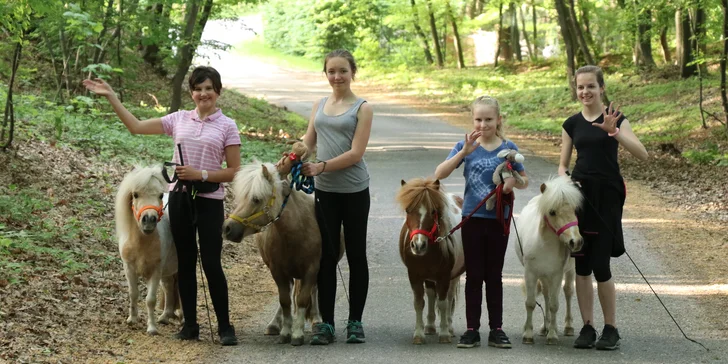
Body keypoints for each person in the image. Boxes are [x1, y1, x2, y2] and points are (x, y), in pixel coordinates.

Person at [83, 66, 241, 346]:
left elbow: (233, 171)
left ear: (218, 91)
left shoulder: (227, 125)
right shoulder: (178, 119)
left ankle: (225, 327)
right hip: (179, 198)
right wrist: (111, 96)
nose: (203, 94)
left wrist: (200, 174)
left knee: (212, 264)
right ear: (191, 92)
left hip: (209, 202)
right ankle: (190, 324)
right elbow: (135, 127)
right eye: (198, 88)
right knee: (186, 263)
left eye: (208, 88)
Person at [558, 65, 648, 351]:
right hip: (580, 196)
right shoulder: (571, 123)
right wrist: (565, 181)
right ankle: (587, 327)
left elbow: (642, 153)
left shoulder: (617, 119)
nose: (585, 92)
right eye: (580, 87)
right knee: (581, 265)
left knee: (600, 264)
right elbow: (563, 164)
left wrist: (615, 133)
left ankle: (611, 329)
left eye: (591, 87)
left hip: (607, 196)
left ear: (601, 88)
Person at [434, 96, 528, 349]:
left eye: (488, 119)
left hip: (499, 220)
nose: (483, 124)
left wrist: (512, 183)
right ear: (472, 120)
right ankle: (471, 329)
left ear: (498, 120)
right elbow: (439, 173)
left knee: (494, 275)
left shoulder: (509, 147)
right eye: (478, 119)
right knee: (474, 275)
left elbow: (524, 179)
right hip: (472, 219)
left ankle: (496, 328)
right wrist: (462, 153)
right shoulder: (466, 145)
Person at [297, 49, 373, 345]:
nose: (337, 76)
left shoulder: (363, 108)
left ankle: (355, 322)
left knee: (356, 255)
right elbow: (308, 140)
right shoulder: (320, 104)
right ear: (325, 73)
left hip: (354, 190)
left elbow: (356, 153)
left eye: (343, 71)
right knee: (326, 257)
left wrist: (320, 166)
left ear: (353, 72)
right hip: (324, 192)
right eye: (331, 71)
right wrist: (295, 154)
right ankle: (326, 323)